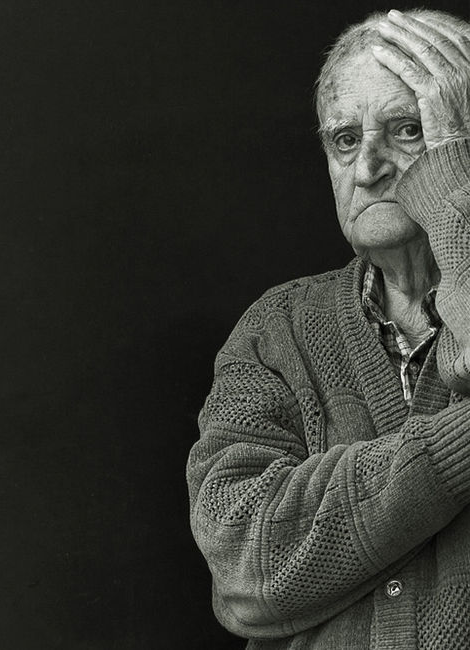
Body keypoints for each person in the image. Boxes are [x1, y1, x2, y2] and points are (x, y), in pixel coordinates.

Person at [187, 8, 470, 649]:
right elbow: (247, 563)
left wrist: (457, 205)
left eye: (409, 130)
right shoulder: (277, 327)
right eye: (344, 140)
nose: (368, 168)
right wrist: (453, 449)